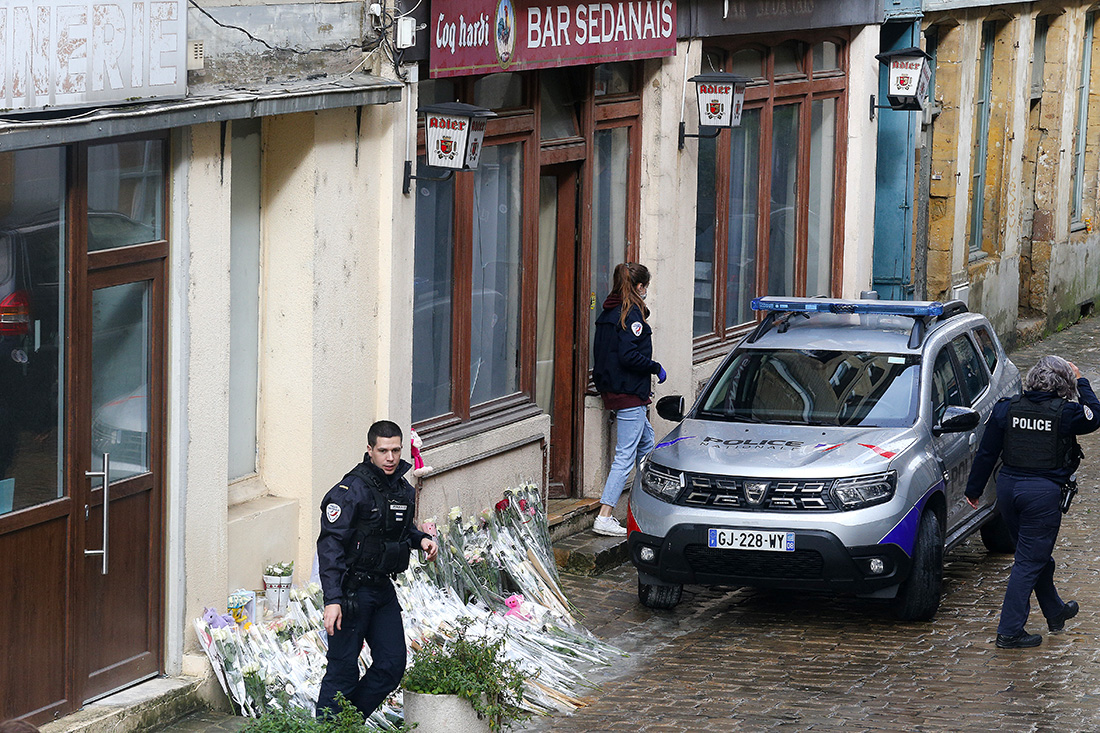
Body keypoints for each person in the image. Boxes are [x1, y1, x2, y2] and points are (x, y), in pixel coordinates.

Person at [964, 355, 1100, 649]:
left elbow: (987, 453)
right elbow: (1095, 415)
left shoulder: (1005, 409)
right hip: (1042, 494)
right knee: (1028, 561)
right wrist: (1082, 381)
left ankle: (1055, 611)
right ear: (1063, 385)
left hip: (1009, 491)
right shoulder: (1066, 413)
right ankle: (1010, 631)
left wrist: (973, 490)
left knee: (1034, 555)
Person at [315, 420, 438, 718]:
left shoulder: (401, 488)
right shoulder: (350, 490)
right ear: (369, 450)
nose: (391, 457)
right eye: (383, 450)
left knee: (392, 666)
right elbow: (330, 547)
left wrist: (420, 539)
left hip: (382, 590)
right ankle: (329, 727)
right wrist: (333, 600)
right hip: (351, 594)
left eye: (396, 450)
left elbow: (397, 530)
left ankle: (346, 722)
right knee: (343, 672)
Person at [591, 263, 666, 536]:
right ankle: (605, 514)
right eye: (645, 286)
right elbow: (628, 355)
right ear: (639, 287)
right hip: (629, 393)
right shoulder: (630, 315)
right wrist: (654, 367)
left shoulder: (608, 311)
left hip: (615, 389)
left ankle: (649, 505)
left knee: (647, 446)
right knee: (625, 457)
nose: (646, 290)